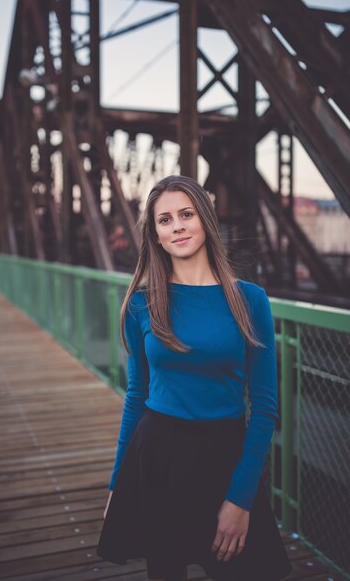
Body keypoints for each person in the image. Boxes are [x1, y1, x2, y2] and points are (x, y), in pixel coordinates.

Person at [96, 175, 292, 581]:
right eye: (164, 220)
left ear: (205, 219)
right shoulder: (141, 304)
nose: (178, 226)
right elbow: (137, 394)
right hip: (160, 455)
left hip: (227, 454)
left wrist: (240, 498)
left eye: (186, 214)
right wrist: (117, 482)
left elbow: (265, 405)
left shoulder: (249, 299)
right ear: (156, 235)